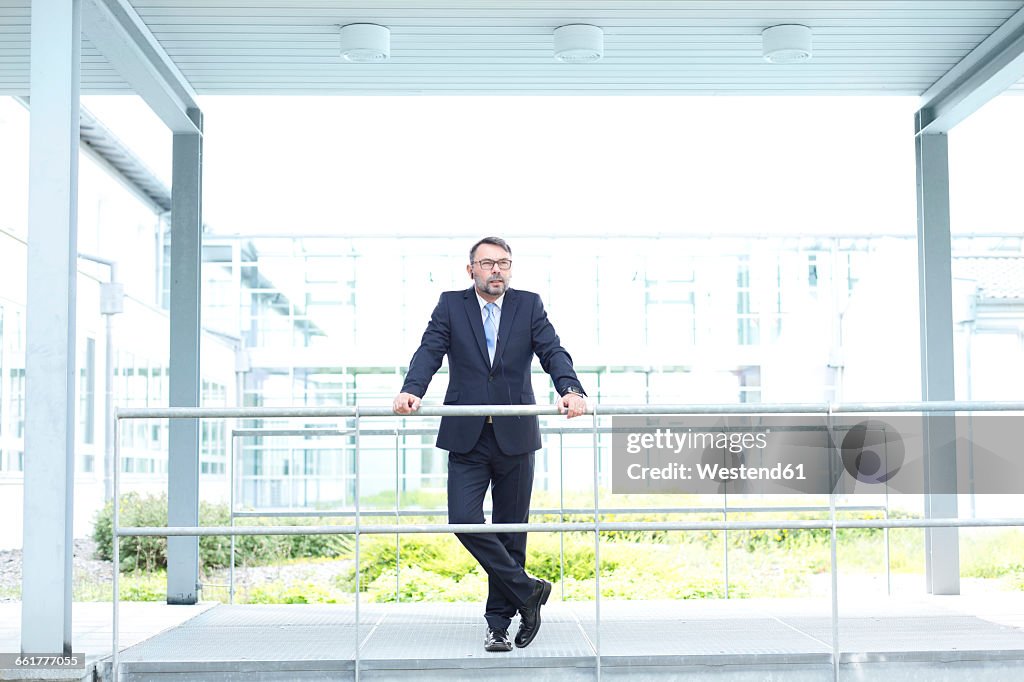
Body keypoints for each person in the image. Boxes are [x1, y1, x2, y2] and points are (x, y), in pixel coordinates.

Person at [393, 236, 587, 652]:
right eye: (487, 263)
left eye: (503, 263)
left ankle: (499, 624)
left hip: (515, 434)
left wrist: (570, 389)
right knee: (463, 520)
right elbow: (429, 351)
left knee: (511, 531)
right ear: (471, 271)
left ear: (510, 268)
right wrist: (413, 390)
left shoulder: (528, 305)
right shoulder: (451, 305)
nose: (496, 270)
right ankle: (528, 591)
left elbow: (552, 351)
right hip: (468, 435)